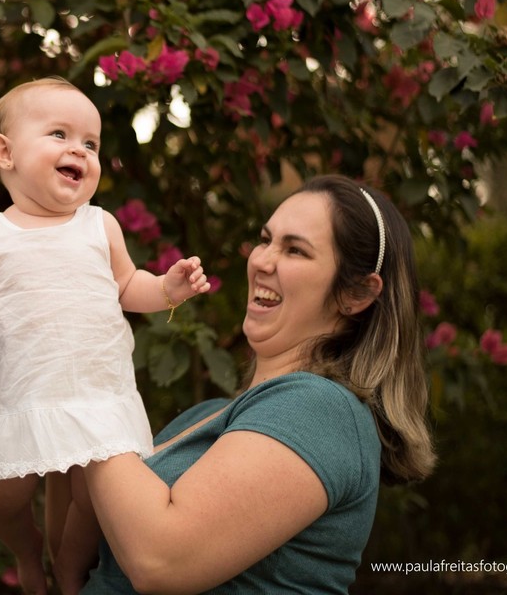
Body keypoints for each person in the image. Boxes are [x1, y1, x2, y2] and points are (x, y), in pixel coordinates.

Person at [0, 77, 211, 595]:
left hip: (96, 395)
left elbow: (130, 286)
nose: (78, 150)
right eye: (59, 134)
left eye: (90, 143)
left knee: (89, 504)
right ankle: (25, 549)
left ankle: (69, 569)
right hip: (27, 396)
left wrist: (168, 288)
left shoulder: (99, 225)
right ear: (5, 152)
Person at [78, 174, 437, 594]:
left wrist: (83, 374)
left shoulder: (321, 409)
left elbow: (161, 559)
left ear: (355, 293)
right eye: (265, 240)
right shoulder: (206, 416)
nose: (262, 260)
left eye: (295, 250)